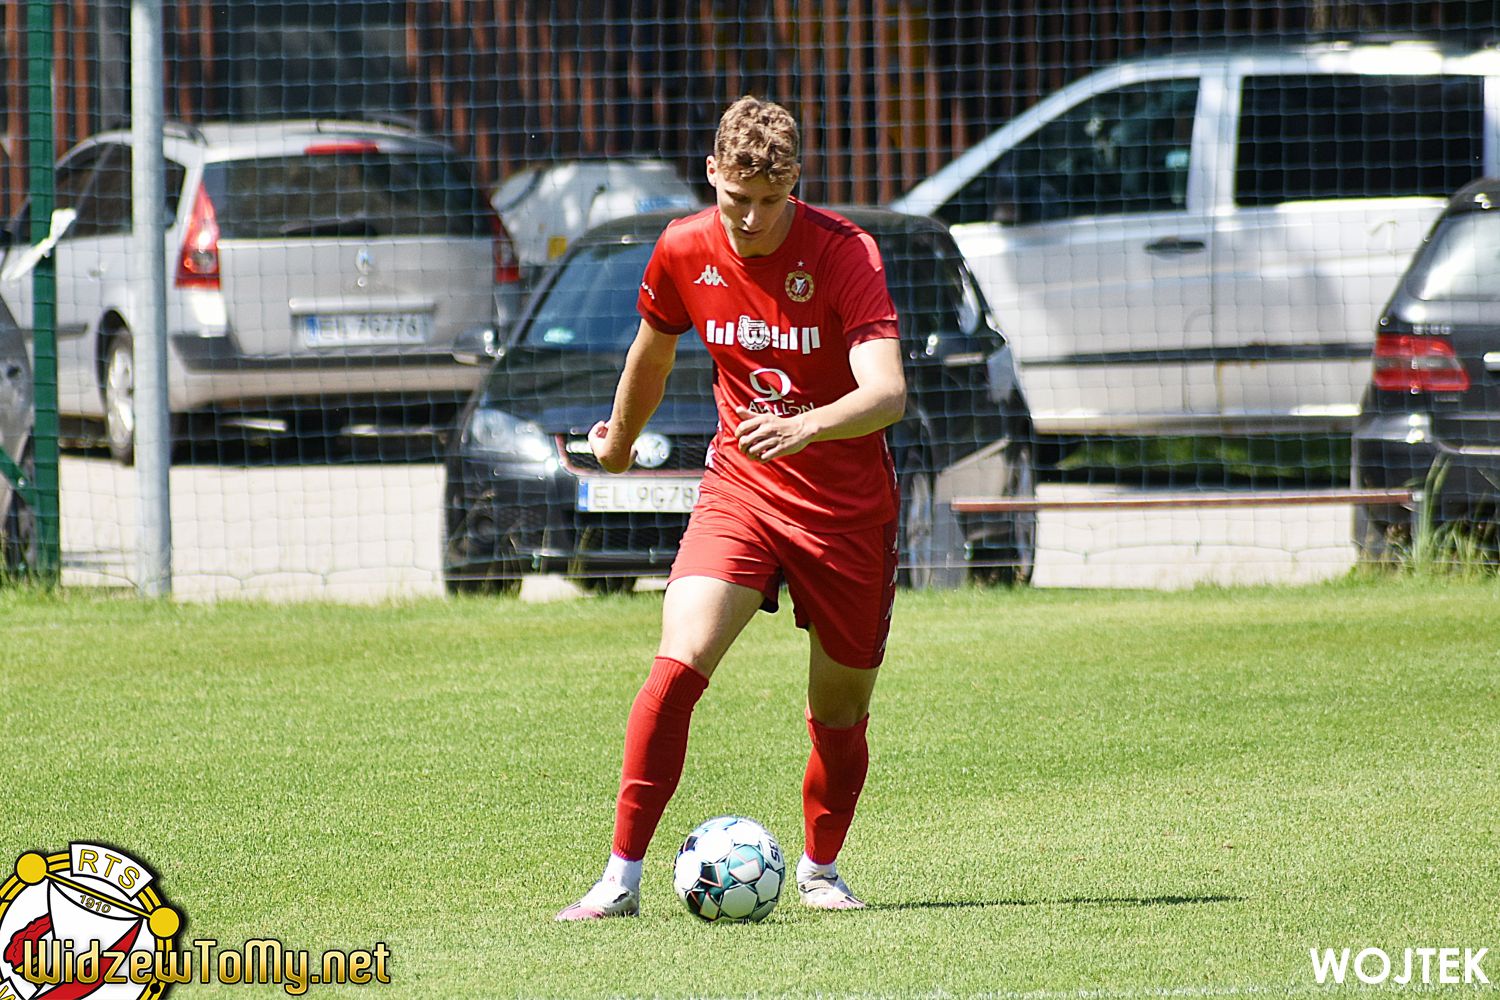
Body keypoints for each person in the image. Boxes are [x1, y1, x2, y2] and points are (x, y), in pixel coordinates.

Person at [556, 95, 906, 921]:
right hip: (740, 493)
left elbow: (887, 391)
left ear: (796, 182)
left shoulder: (845, 252)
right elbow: (652, 353)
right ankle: (619, 880)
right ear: (711, 172)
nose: (751, 219)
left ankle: (820, 870)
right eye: (736, 198)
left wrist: (804, 426)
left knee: (840, 711)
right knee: (677, 665)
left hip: (845, 513)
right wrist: (617, 446)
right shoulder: (684, 246)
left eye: (770, 201)